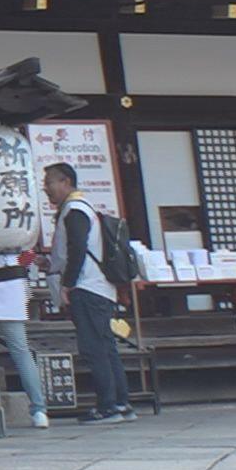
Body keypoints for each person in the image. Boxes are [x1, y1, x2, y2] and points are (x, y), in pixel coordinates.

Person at [45, 162, 133, 424]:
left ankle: (108, 406)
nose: (46, 188)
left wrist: (67, 285)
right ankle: (121, 403)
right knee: (106, 346)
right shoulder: (82, 209)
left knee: (94, 348)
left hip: (87, 287)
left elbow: (78, 250)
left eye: (50, 181)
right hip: (99, 288)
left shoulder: (75, 211)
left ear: (66, 182)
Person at [0, 250, 49, 429]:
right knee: (21, 351)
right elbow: (28, 254)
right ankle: (39, 410)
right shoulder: (13, 227)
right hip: (11, 283)